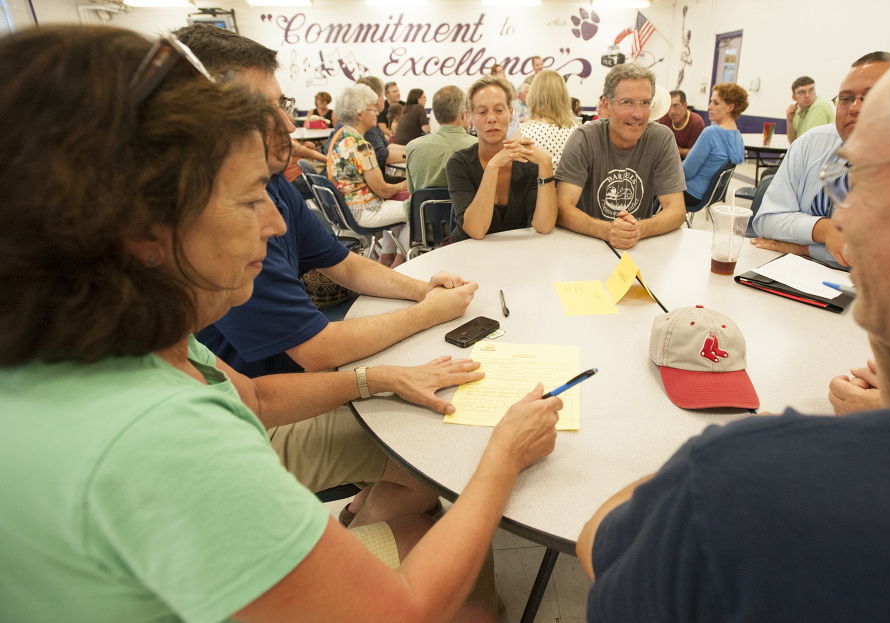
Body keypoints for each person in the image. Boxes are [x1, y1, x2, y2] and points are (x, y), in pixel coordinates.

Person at [0, 25, 563, 623]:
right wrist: (500, 458)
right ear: (144, 229)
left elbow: (258, 396)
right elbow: (400, 609)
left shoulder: (105, 346)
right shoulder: (162, 438)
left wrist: (382, 378)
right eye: (248, 199)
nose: (273, 223)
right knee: (472, 593)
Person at [578, 3, 890, 620]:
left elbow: (605, 549)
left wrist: (733, 458)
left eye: (873, 176)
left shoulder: (752, 487)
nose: (845, 220)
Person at [177, 25, 478, 527]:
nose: (284, 123)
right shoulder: (215, 228)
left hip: (271, 394)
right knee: (426, 450)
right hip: (269, 411)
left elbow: (342, 262)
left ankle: (373, 506)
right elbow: (314, 353)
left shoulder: (271, 184)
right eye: (260, 109)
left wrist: (422, 290)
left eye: (280, 104)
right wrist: (425, 316)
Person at [752, 52, 890, 267]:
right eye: (847, 99)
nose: (855, 107)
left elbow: (888, 259)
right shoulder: (811, 144)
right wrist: (825, 230)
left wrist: (803, 248)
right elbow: (767, 220)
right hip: (796, 277)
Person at [555, 62, 686, 250]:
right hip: (584, 245)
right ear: (607, 105)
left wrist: (638, 230)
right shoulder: (584, 138)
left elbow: (677, 210)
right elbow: (562, 208)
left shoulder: (661, 138)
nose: (638, 113)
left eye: (645, 103)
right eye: (627, 102)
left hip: (635, 248)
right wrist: (608, 231)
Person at [446, 75, 557, 242]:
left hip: (516, 256)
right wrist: (493, 166)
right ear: (469, 118)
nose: (492, 118)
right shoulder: (459, 163)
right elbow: (476, 230)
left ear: (511, 113)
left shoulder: (528, 163)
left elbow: (544, 226)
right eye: (482, 112)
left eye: (499, 110)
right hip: (467, 255)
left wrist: (546, 165)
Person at [328, 83, 410, 267]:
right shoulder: (361, 145)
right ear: (359, 113)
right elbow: (382, 190)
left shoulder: (340, 136)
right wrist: (402, 185)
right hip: (365, 211)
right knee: (414, 207)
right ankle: (400, 262)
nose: (376, 113)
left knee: (400, 207)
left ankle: (386, 257)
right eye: (372, 109)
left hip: (345, 210)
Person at [405, 85, 477, 216]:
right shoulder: (479, 147)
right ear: (465, 115)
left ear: (437, 116)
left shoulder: (413, 147)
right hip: (468, 229)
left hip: (424, 229)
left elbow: (412, 192)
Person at [681, 82, 746, 206]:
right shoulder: (737, 136)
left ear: (730, 107)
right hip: (711, 195)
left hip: (690, 192)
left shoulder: (711, 133)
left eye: (716, 103)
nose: (709, 107)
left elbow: (687, 171)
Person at [516, 69, 578, 169]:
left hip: (538, 184)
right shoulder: (576, 131)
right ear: (564, 95)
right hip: (567, 184)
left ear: (533, 95)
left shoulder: (523, 133)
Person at [785, 76, 835, 143]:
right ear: (794, 97)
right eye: (802, 92)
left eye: (811, 90)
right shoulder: (796, 111)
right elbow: (793, 143)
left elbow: (812, 143)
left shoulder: (819, 106)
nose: (807, 95)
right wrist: (790, 121)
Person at [659, 89, 705, 159]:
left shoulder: (696, 123)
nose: (672, 111)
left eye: (676, 106)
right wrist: (682, 150)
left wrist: (672, 148)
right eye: (669, 107)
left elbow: (694, 154)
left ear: (685, 105)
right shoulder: (664, 118)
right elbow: (660, 146)